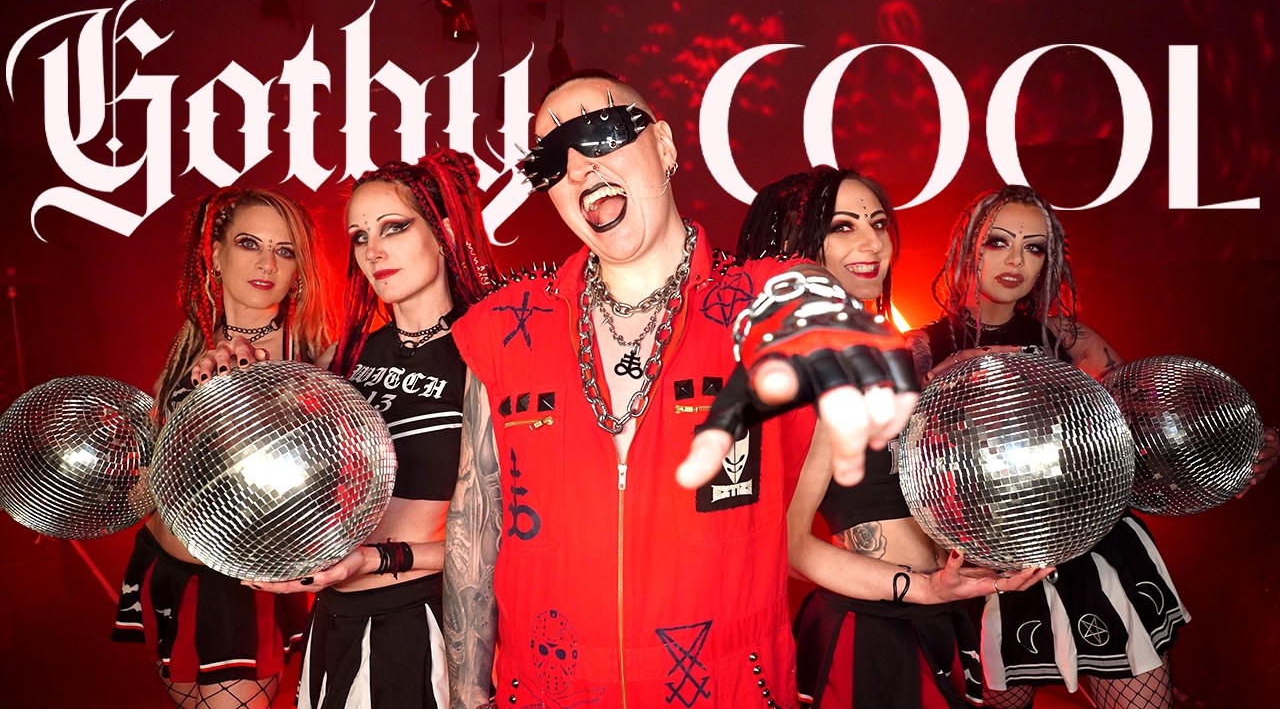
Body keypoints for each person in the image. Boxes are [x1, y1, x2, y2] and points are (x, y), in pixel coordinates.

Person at [443, 70, 919, 709]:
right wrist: (467, 694)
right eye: (550, 161)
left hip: (727, 691)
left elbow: (806, 531)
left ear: (665, 146)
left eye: (602, 133)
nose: (579, 167)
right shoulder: (504, 328)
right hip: (548, 691)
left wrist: (923, 585)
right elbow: (475, 529)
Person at [911, 184, 1273, 709]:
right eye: (998, 242)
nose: (1015, 261)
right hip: (983, 569)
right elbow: (895, 477)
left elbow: (1145, 439)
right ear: (966, 248)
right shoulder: (920, 352)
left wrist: (1234, 453)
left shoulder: (1069, 340)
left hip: (1093, 551)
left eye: (1034, 248)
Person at [738, 168, 1049, 709]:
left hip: (934, 613)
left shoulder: (886, 349)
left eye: (878, 224)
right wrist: (922, 587)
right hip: (872, 632)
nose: (872, 243)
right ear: (794, 241)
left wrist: (979, 565)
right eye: (843, 227)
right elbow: (788, 545)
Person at [242, 150, 496, 709]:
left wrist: (375, 559)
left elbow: (500, 538)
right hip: (333, 618)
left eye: (394, 227)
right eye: (360, 236)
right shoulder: (347, 357)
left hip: (418, 624)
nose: (372, 250)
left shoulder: (485, 355)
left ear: (445, 231)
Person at [111, 187, 333, 709]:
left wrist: (258, 402)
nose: (266, 263)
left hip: (236, 588)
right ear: (216, 254)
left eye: (284, 251)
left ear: (299, 269)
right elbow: (163, 469)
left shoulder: (314, 358)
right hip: (165, 568)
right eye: (249, 243)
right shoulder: (190, 341)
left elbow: (323, 491)